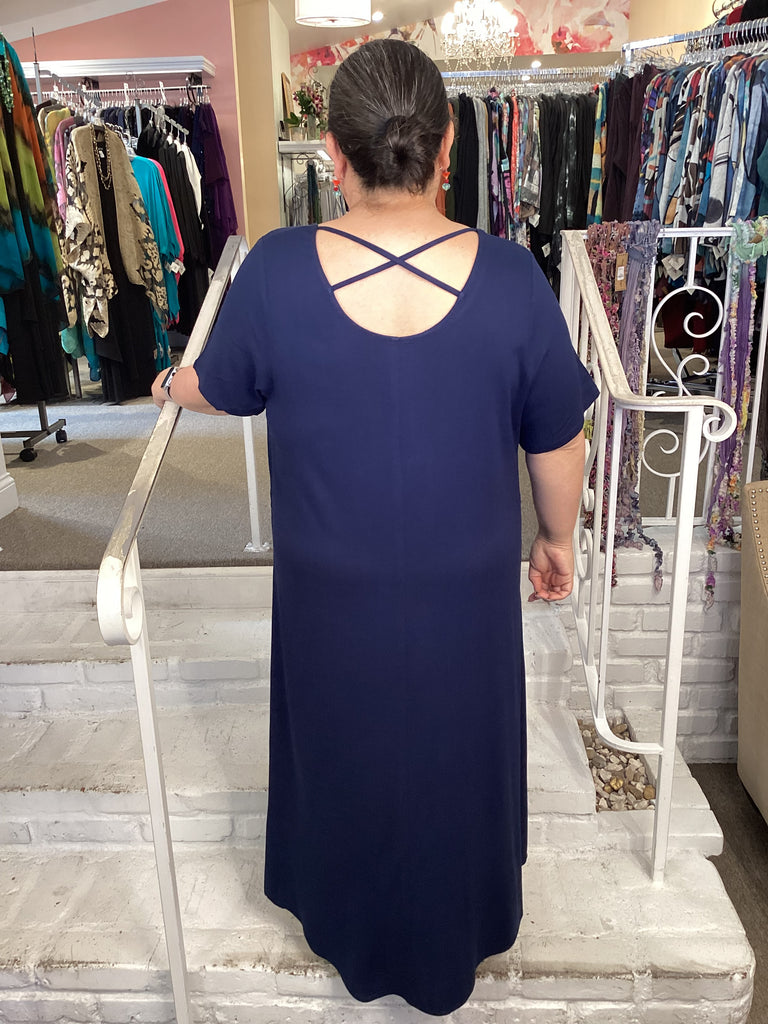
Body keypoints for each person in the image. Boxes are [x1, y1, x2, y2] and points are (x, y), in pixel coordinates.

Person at [152, 38, 598, 1017]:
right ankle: (455, 926)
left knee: (345, 747)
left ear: (333, 154)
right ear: (447, 148)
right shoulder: (512, 277)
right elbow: (558, 434)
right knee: (455, 751)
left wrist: (171, 384)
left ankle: (350, 924)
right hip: (465, 584)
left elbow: (225, 386)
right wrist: (557, 538)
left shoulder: (275, 270)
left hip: (331, 584)